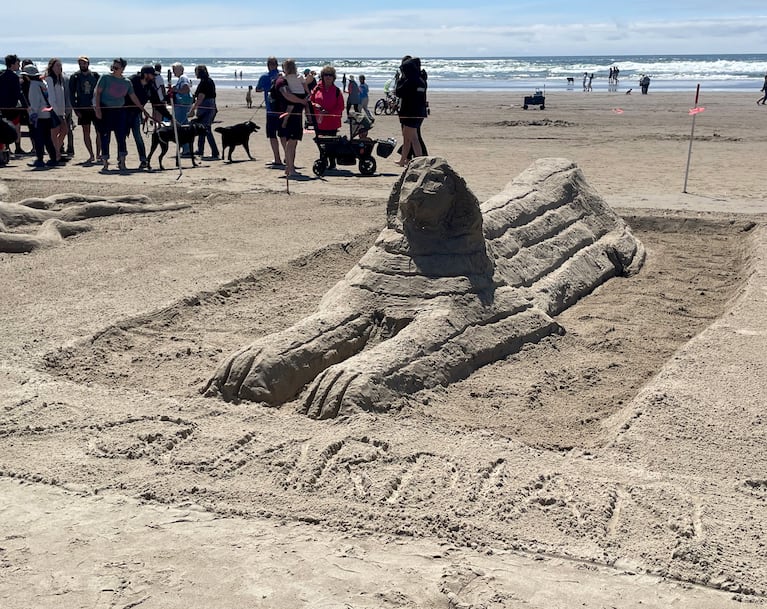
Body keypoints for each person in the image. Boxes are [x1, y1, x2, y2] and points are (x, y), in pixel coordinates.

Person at [94, 57, 152, 171]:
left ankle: (122, 162)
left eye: (117, 67)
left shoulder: (126, 82)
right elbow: (97, 93)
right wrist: (97, 109)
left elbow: (133, 96)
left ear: (122, 68)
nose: (114, 69)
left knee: (121, 137)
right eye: (113, 66)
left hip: (120, 111)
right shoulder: (105, 78)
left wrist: (143, 109)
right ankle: (105, 162)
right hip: (106, 110)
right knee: (105, 137)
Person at [275, 58, 309, 177]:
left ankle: (289, 167)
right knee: (291, 142)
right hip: (292, 114)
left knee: (292, 143)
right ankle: (290, 168)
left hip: (295, 113)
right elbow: (288, 95)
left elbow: (305, 88)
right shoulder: (282, 81)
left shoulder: (290, 79)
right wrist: (303, 101)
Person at [126, 66, 166, 169]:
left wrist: (170, 117)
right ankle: (121, 160)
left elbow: (157, 103)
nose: (153, 77)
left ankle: (143, 160)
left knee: (138, 136)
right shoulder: (132, 80)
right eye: (152, 75)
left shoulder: (150, 85)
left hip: (136, 114)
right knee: (121, 137)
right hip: (123, 113)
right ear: (146, 74)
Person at [22, 64, 57, 168]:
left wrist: (32, 115)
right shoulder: (43, 83)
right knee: (47, 138)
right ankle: (53, 158)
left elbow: (34, 103)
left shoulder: (33, 85)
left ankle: (40, 159)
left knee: (38, 138)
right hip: (47, 114)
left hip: (39, 116)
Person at [309, 65, 344, 169]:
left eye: (330, 75)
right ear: (322, 76)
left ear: (333, 77)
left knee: (332, 144)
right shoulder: (317, 89)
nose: (328, 77)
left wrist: (330, 112)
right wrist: (317, 106)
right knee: (321, 143)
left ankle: (332, 162)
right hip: (319, 122)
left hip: (332, 122)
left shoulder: (337, 90)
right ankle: (323, 161)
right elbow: (310, 101)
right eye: (325, 75)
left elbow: (341, 106)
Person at [395, 56, 427, 166]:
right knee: (409, 138)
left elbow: (399, 92)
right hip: (418, 112)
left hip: (409, 113)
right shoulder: (421, 80)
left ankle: (418, 161)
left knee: (412, 138)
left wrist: (400, 79)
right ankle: (403, 159)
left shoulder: (410, 81)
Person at [69, 56, 100, 163]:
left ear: (88, 64)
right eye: (81, 63)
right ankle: (91, 155)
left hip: (95, 108)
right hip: (82, 108)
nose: (83, 65)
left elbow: (100, 92)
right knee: (86, 132)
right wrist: (75, 109)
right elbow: (71, 94)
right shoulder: (75, 76)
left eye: (85, 63)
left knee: (99, 132)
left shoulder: (95, 75)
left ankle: (98, 154)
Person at [255, 56, 284, 167]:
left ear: (268, 65)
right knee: (283, 135)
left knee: (273, 135)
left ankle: (278, 159)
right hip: (282, 109)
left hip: (271, 110)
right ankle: (287, 157)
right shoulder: (282, 76)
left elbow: (258, 89)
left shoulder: (265, 77)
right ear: (276, 65)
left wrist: (266, 88)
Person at [0, 54, 30, 155]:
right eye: (17, 63)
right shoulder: (14, 77)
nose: (18, 65)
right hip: (12, 107)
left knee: (4, 126)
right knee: (16, 126)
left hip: (2, 107)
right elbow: (19, 93)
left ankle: (7, 148)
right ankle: (18, 147)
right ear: (12, 65)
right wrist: (26, 106)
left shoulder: (1, 76)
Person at [189, 64, 220, 159]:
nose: (195, 74)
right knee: (201, 128)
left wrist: (193, 109)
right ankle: (200, 149)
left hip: (207, 108)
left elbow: (201, 98)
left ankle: (215, 152)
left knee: (206, 130)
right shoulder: (209, 81)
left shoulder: (204, 83)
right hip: (211, 107)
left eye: (196, 72)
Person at [44, 58, 68, 163]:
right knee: (55, 133)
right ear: (52, 67)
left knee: (64, 130)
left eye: (60, 66)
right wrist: (55, 111)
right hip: (53, 111)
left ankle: (56, 152)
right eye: (57, 66)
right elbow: (52, 98)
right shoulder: (50, 79)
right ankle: (55, 155)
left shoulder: (60, 79)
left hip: (60, 110)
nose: (59, 68)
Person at [169, 62, 193, 154]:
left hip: (183, 106)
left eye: (174, 70)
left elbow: (186, 89)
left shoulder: (183, 78)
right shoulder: (181, 79)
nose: (173, 72)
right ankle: (186, 148)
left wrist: (176, 90)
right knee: (182, 126)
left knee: (181, 127)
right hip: (182, 105)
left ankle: (186, 149)